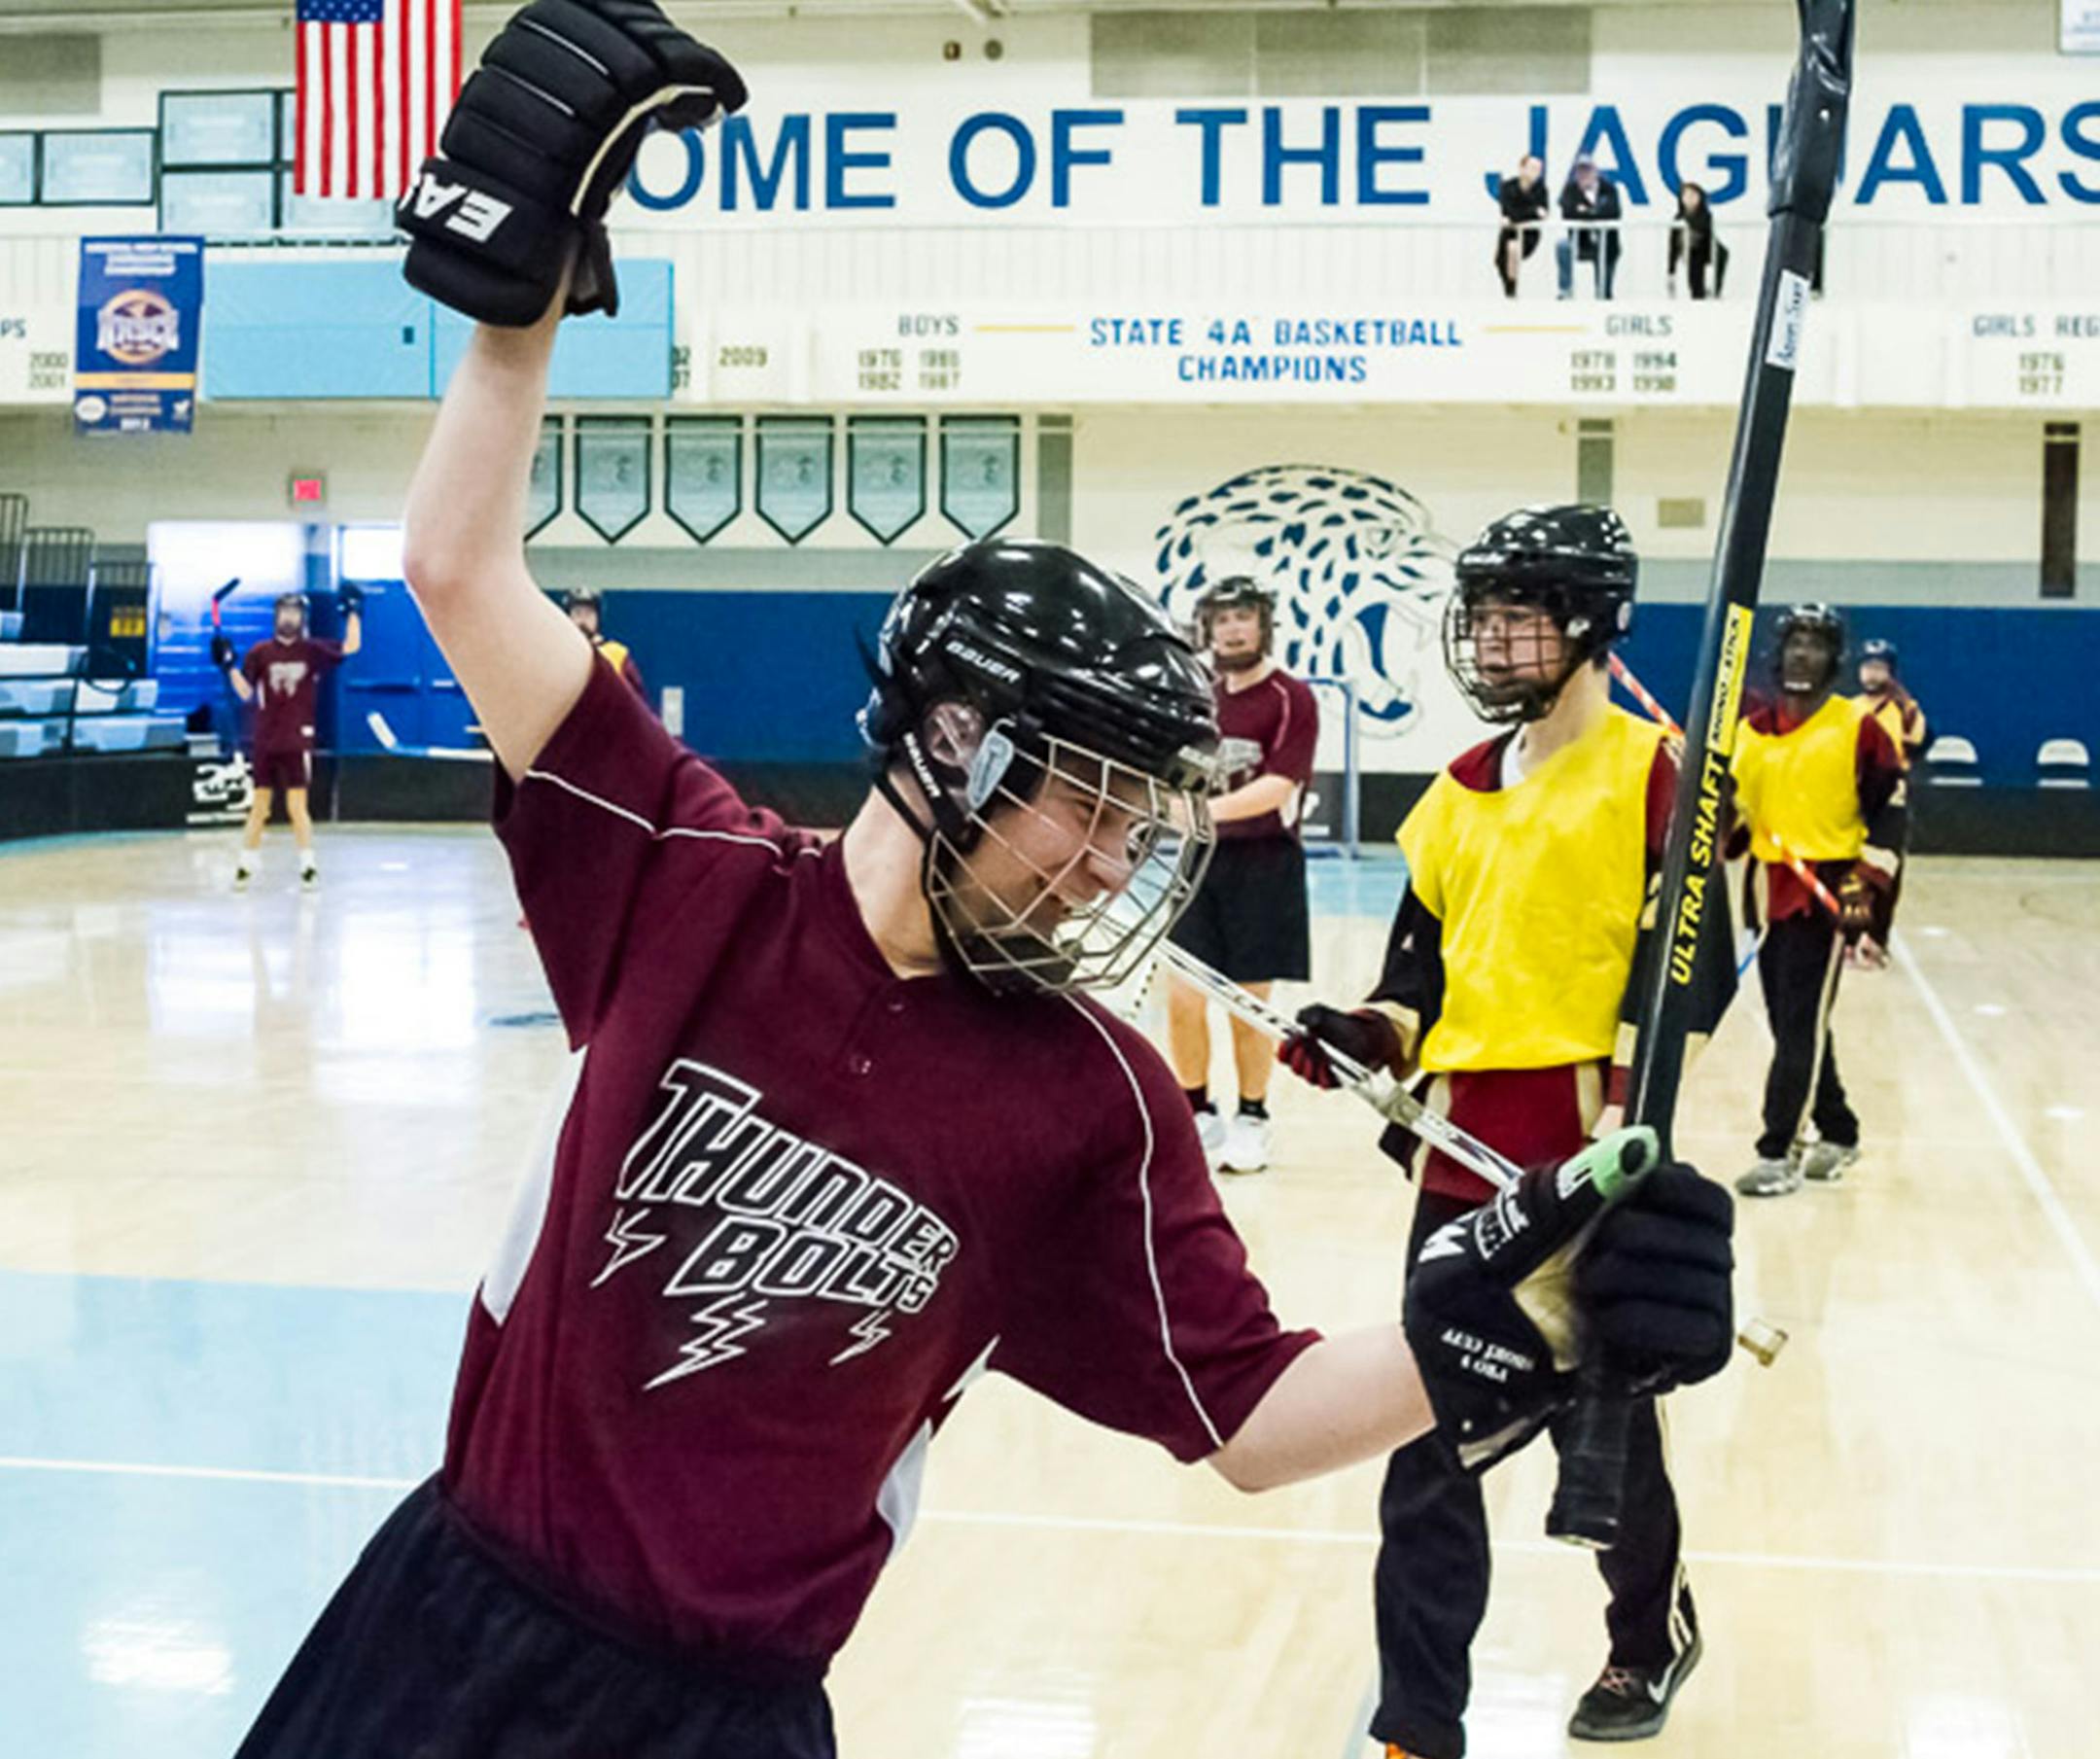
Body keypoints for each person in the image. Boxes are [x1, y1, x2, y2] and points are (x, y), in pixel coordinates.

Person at [229, 10, 1734, 1756]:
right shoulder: (686, 867)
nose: (1112, 858)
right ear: (949, 741)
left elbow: (1248, 1408)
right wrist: (518, 304)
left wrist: (1532, 1311)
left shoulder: (1087, 1097)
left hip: (720, 1718)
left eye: (1137, 821)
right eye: (1084, 803)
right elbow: (457, 566)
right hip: (444, 1623)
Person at [1281, 507, 1734, 1755]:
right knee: (1432, 1435)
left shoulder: (1659, 778)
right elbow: (1412, 990)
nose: (1487, 638)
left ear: (1589, 624)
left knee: (1606, 1434)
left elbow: (1693, 973)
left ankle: (1648, 1636)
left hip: (1592, 1147)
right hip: (1459, 1161)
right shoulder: (1452, 798)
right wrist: (1364, 1034)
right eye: (1478, 614)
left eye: (1515, 612)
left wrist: (1640, 1123)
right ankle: (1416, 1726)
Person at [1732, 606, 1908, 1197]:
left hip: (1828, 892)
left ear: (1834, 659)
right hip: (1768, 889)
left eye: (1816, 644)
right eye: (1794, 643)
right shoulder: (1750, 732)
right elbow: (1736, 822)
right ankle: (1839, 1128)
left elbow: (1891, 811)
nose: (1802, 654)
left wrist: (1867, 888)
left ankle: (1777, 1148)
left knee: (1800, 1022)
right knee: (1791, 1022)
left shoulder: (1858, 728)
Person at [1164, 578, 1318, 1174]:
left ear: (1263, 625)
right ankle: (1197, 1112)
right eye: (1221, 619)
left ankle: (1253, 1116)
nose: (1231, 629)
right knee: (1181, 997)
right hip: (1198, 863)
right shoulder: (1196, 694)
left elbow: (1279, 786)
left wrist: (1199, 814)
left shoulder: (1290, 698)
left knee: (1247, 1003)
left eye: (1242, 618)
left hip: (1263, 864)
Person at [215, 586, 362, 889]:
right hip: (265, 741)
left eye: (295, 612)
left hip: (297, 740)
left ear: (302, 618)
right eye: (285, 612)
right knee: (260, 807)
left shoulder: (312, 650)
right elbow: (245, 692)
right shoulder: (260, 653)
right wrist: (228, 665)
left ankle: (308, 866)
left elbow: (351, 646)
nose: (289, 617)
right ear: (276, 617)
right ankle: (246, 864)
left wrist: (354, 613)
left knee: (297, 807)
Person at [1557, 154, 1623, 300]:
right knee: (1562, 246)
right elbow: (1568, 212)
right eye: (1580, 171)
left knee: (1604, 285)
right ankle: (1565, 290)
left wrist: (1585, 212)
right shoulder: (1570, 190)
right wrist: (1595, 212)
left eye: (1587, 170)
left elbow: (1614, 212)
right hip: (1580, 241)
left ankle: (1604, 294)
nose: (1583, 175)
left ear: (1595, 172)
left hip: (1607, 243)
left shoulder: (1609, 189)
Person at [564, 586, 648, 700]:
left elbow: (637, 701)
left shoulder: (618, 654)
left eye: (588, 614)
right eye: (577, 613)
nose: (582, 621)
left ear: (597, 618)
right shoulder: (561, 654)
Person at [1855, 637, 1927, 766]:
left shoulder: (1907, 710)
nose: (1872, 674)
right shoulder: (1847, 708)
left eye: (1878, 668)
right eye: (1867, 668)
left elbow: (1917, 750)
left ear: (1890, 673)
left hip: (1892, 782)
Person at [1493, 154, 1550, 299]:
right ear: (1521, 168)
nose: (1536, 172)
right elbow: (1508, 210)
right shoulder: (1507, 187)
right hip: (1509, 231)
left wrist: (1519, 215)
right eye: (1532, 168)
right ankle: (1509, 289)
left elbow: (1544, 213)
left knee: (1514, 249)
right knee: (1500, 261)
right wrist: (1532, 211)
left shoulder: (1541, 190)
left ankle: (1512, 290)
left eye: (1539, 169)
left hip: (1530, 233)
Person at [1667, 182, 1729, 300]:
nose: (1690, 199)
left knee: (1721, 253)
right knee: (1694, 263)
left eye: (1694, 195)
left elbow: (1706, 232)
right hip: (1689, 250)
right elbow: (1672, 244)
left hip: (1704, 247)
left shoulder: (1706, 215)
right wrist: (1671, 269)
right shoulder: (1677, 218)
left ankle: (1716, 288)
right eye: (1687, 196)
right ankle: (1697, 293)